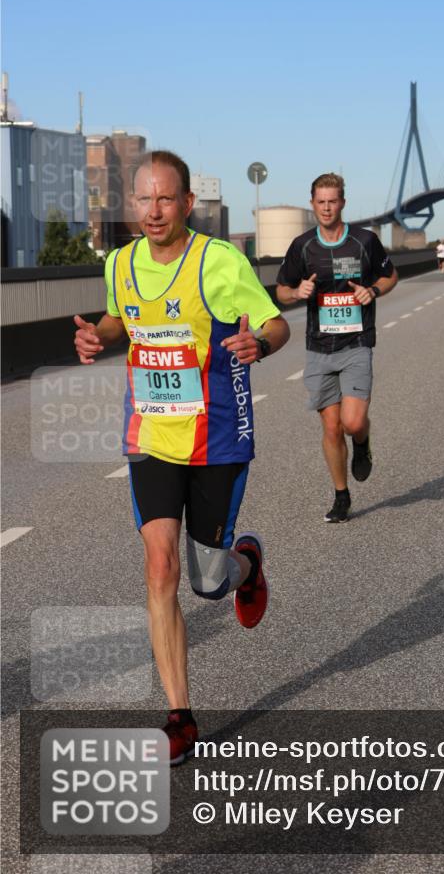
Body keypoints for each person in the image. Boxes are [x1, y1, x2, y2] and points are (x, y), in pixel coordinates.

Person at [73, 150, 290, 764]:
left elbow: (277, 325)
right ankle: (179, 716)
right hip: (151, 436)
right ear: (132, 205)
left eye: (166, 199)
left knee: (210, 582)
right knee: (161, 568)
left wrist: (258, 344)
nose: (154, 210)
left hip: (217, 436)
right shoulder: (119, 264)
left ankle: (247, 562)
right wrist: (99, 336)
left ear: (187, 204)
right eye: (144, 199)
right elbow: (120, 322)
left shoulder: (218, 262)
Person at [276, 173, 398, 523]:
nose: (327, 207)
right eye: (320, 202)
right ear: (312, 203)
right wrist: (296, 293)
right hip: (318, 348)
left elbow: (390, 276)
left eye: (333, 201)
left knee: (352, 421)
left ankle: (362, 441)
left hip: (356, 343)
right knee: (330, 428)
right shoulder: (302, 246)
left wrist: (372, 291)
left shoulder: (364, 241)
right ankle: (341, 496)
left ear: (342, 202)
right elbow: (281, 290)